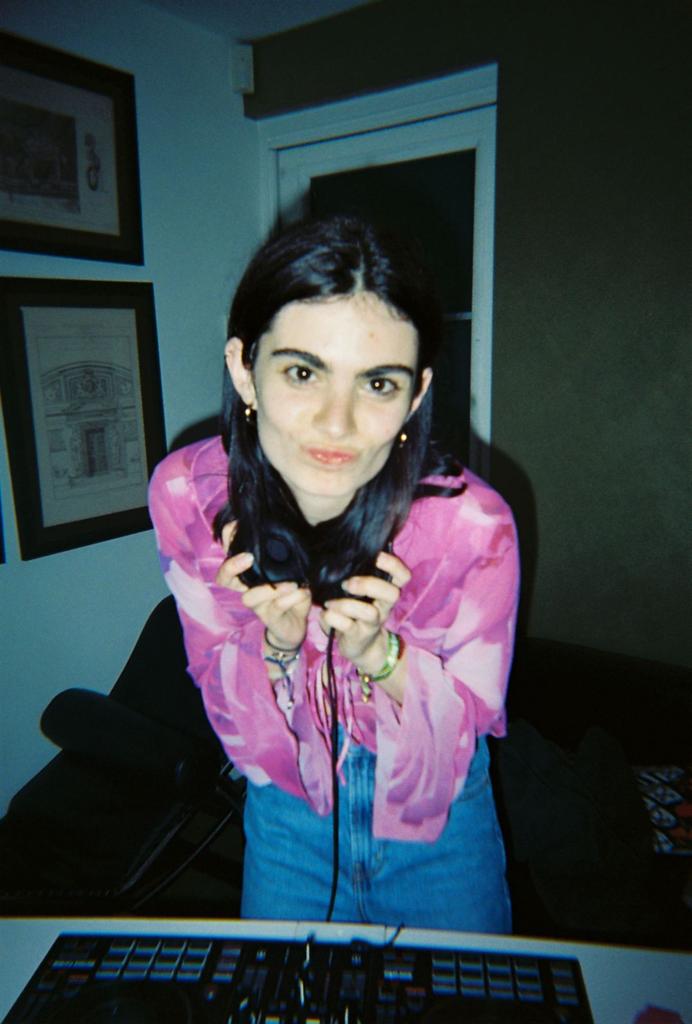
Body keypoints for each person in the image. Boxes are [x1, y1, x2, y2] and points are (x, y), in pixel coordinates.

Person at [148, 214, 519, 932]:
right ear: (243, 368)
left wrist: (383, 657)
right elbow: (228, 711)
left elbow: (470, 726)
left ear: (415, 396)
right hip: (288, 805)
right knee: (279, 989)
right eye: (302, 371)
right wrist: (277, 649)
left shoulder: (474, 527)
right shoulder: (188, 496)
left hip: (436, 819)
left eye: (377, 383)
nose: (337, 423)